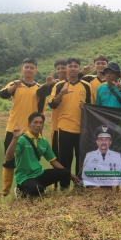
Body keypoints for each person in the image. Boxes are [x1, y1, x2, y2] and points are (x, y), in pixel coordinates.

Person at [0, 58, 46, 197]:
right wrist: (14, 86)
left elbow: (41, 111)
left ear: (36, 70)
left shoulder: (39, 89)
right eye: (26, 67)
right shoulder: (14, 84)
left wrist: (38, 127)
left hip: (31, 131)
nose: (29, 70)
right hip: (14, 128)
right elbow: (3, 94)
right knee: (9, 158)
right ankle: (5, 190)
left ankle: (22, 188)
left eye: (31, 67)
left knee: (27, 161)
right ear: (21, 69)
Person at [5, 112, 78, 197]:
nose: (38, 125)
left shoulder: (43, 141)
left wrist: (70, 174)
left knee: (65, 171)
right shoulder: (21, 139)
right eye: (35, 122)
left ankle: (39, 186)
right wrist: (15, 138)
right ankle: (20, 189)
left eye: (41, 123)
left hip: (39, 174)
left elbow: (53, 161)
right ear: (29, 124)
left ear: (43, 125)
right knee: (39, 190)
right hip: (25, 177)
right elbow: (8, 157)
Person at [48, 57, 93, 189]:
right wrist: (61, 94)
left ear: (79, 68)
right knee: (64, 159)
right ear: (66, 68)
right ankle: (64, 185)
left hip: (82, 129)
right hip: (64, 127)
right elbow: (52, 104)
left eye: (75, 66)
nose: (73, 68)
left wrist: (86, 106)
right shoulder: (59, 86)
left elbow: (91, 106)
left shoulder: (86, 86)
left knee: (81, 158)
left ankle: (80, 184)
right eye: (70, 66)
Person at [36, 59, 68, 151]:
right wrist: (47, 84)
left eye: (63, 68)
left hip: (71, 123)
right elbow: (39, 93)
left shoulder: (75, 82)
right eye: (58, 69)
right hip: (56, 122)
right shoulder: (55, 84)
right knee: (55, 151)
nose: (60, 70)